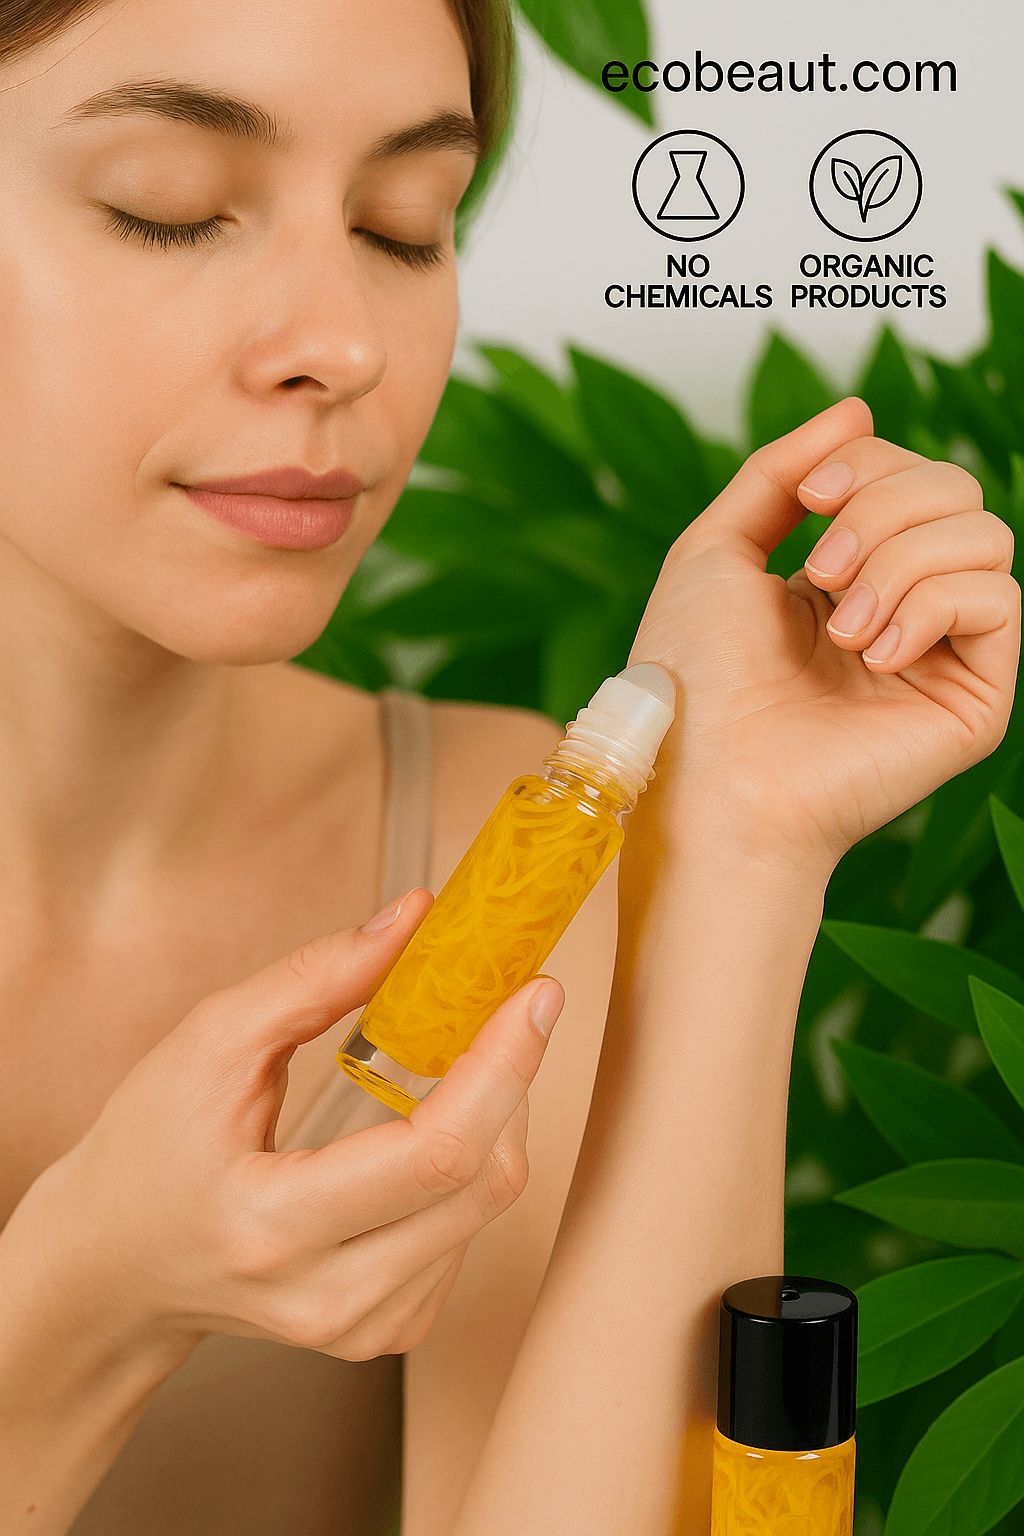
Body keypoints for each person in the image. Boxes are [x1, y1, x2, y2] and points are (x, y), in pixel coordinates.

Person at [0, 0, 1018, 1532]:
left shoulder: (511, 845)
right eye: (174, 209)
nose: (341, 344)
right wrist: (85, 1305)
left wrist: (734, 852)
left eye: (407, 226)